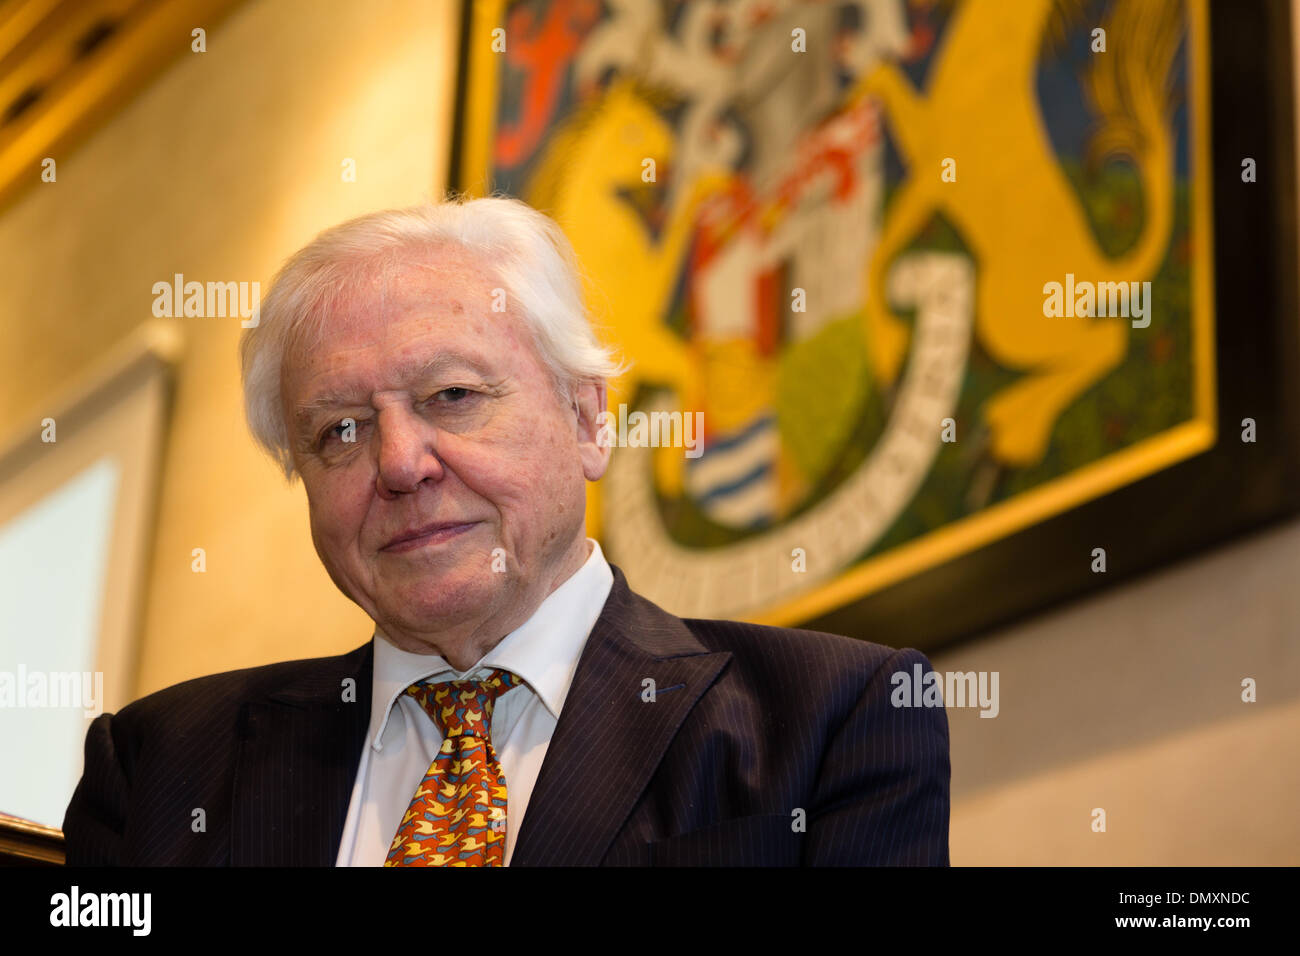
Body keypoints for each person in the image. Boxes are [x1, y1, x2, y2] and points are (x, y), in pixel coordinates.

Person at [62, 196, 950, 866]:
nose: (401, 462)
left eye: (452, 396)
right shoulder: (157, 771)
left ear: (589, 420)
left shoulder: (833, 722)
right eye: (339, 430)